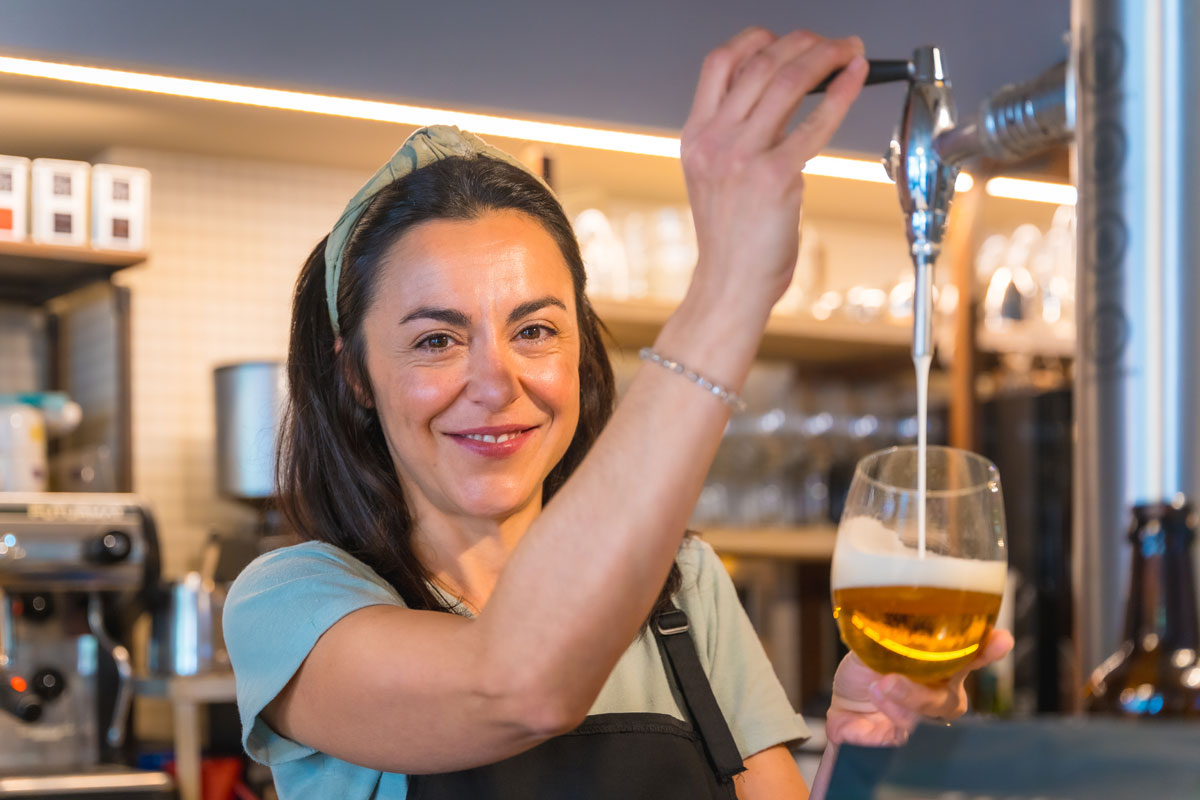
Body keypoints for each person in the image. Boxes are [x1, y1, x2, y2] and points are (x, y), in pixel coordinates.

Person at [223, 27, 1012, 799]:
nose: (496, 384)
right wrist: (729, 287)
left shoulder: (680, 585)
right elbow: (517, 685)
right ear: (355, 375)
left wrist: (867, 746)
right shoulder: (292, 602)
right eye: (436, 340)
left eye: (534, 330)